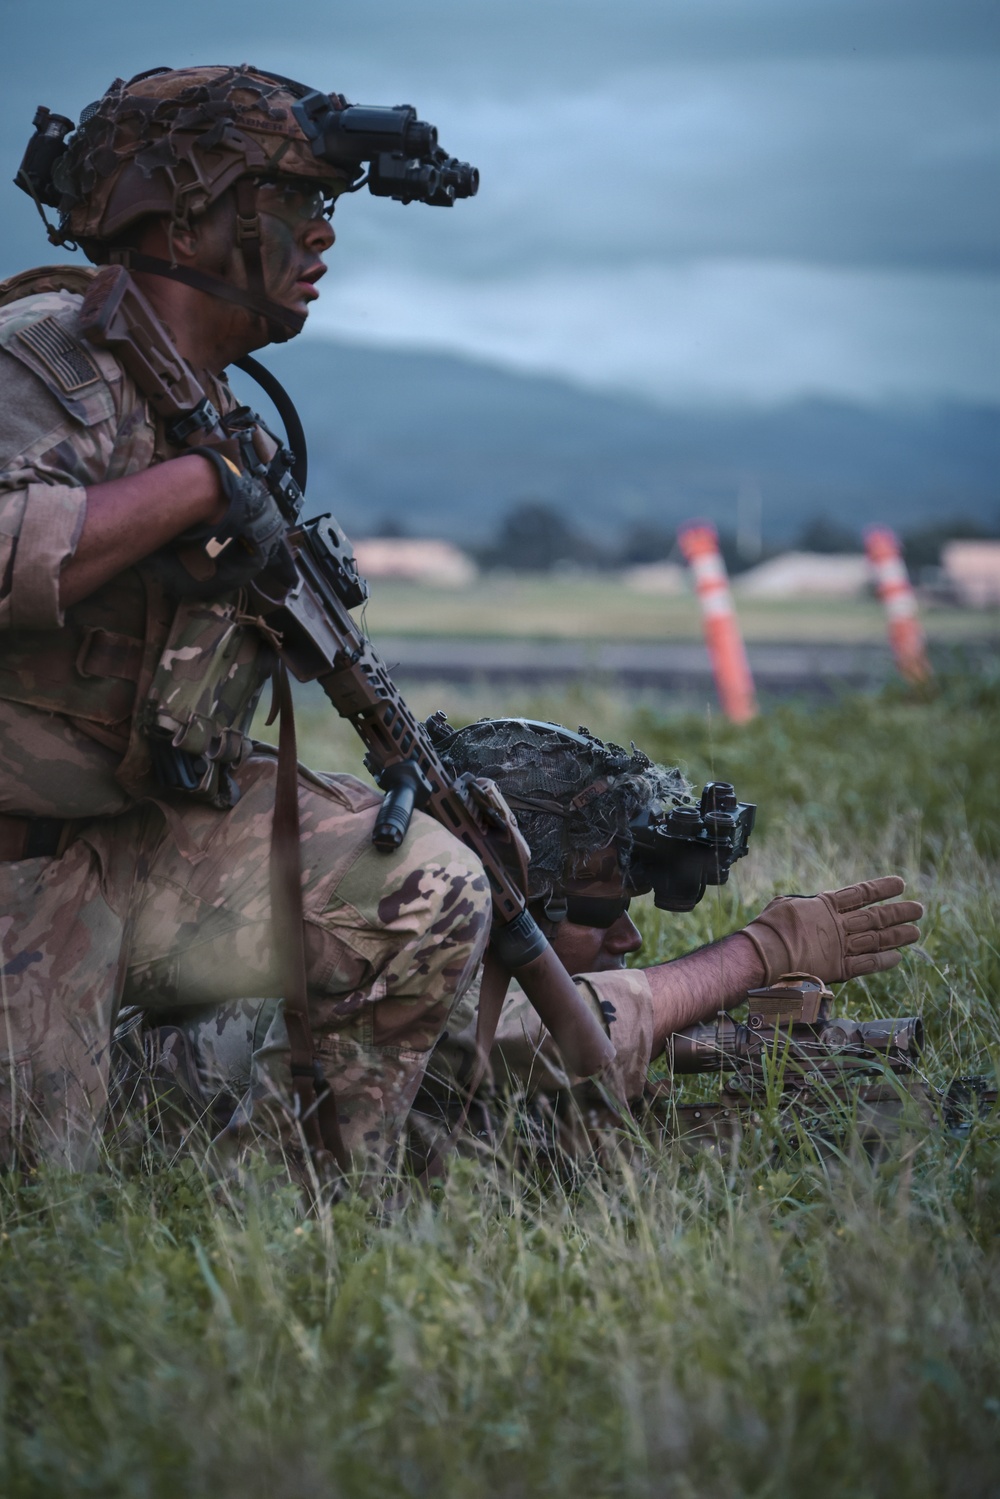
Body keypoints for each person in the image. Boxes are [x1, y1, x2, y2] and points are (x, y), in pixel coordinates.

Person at [0, 65, 491, 1173]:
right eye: (292, 203)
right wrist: (196, 490)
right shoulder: (44, 356)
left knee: (423, 884)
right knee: (42, 1196)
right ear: (185, 220)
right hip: (20, 869)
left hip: (138, 843)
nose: (322, 235)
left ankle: (287, 1214)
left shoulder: (218, 413)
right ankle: (127, 1071)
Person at [116, 717, 925, 1172]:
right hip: (121, 1126)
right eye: (602, 910)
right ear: (518, 902)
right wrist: (761, 951)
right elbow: (567, 1037)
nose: (630, 935)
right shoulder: (406, 917)